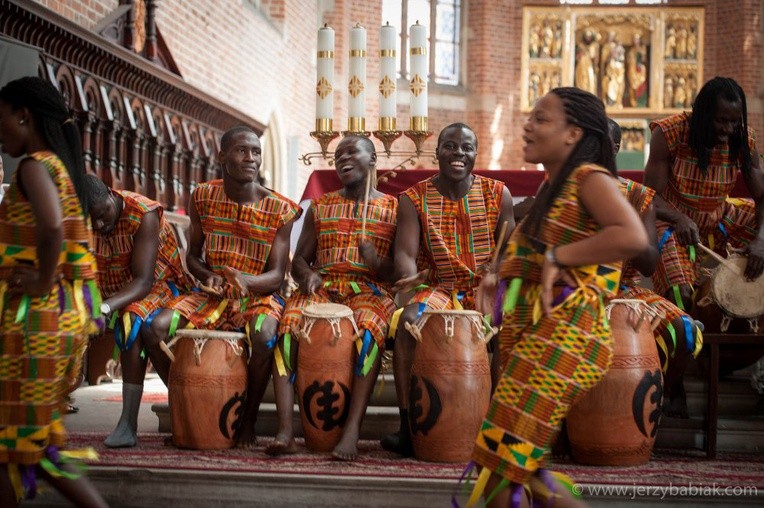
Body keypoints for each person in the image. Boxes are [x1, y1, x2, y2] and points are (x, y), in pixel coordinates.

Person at [467, 88, 648, 507]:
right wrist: (502, 279)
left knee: (499, 465)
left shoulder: (591, 178)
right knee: (514, 467)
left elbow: (632, 236)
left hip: (568, 336)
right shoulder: (554, 186)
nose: (528, 125)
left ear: (573, 133)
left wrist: (557, 255)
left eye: (541, 118)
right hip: (537, 335)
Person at [142, 126, 300, 447]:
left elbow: (276, 277)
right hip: (211, 297)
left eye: (256, 152)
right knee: (153, 330)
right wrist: (208, 276)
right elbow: (194, 258)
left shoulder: (280, 209)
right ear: (222, 156)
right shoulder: (202, 195)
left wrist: (244, 281)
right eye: (242, 151)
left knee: (265, 335)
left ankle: (249, 419)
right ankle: (188, 403)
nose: (251, 158)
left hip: (258, 297)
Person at [0, 77, 107, 507]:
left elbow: (50, 227)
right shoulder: (59, 166)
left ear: (24, 116)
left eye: (0, 119)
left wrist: (43, 278)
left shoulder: (33, 166)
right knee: (27, 443)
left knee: (19, 439)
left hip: (36, 320)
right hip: (57, 319)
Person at [380, 122, 515, 457]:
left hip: (485, 286)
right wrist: (410, 276)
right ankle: (408, 425)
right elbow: (406, 256)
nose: (459, 154)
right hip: (441, 287)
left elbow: (510, 252)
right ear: (437, 151)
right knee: (410, 322)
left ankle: (498, 429)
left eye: (466, 148)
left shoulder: (499, 193)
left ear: (475, 155)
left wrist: (496, 278)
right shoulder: (414, 198)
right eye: (451, 146)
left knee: (510, 326)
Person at [267, 135, 397, 461]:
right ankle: (285, 431)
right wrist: (307, 275)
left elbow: (398, 271)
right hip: (323, 288)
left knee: (368, 334)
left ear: (373, 160)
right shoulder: (321, 206)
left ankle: (352, 430)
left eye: (351, 152)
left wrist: (376, 262)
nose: (342, 159)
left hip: (371, 292)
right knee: (287, 328)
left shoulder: (394, 208)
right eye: (338, 155)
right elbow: (299, 260)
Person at [84, 175, 190, 448]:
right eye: (92, 220)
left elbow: (143, 281)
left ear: (111, 194)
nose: (99, 225)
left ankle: (128, 423)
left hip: (160, 287)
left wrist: (105, 307)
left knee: (131, 321)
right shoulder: (85, 221)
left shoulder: (143, 213)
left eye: (102, 215)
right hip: (116, 293)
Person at [643, 77, 764, 313]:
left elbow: (762, 196)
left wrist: (761, 241)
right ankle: (687, 344)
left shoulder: (742, 138)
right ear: (701, 113)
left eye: (734, 121)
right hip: (671, 220)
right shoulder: (669, 132)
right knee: (680, 294)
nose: (728, 130)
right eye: (720, 121)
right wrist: (679, 218)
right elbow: (648, 197)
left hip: (720, 217)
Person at [608, 119, 702, 418]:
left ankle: (655, 393)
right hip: (573, 290)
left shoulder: (637, 195)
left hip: (624, 292)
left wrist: (626, 227)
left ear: (616, 148)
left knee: (687, 330)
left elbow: (648, 265)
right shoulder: (562, 189)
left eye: (600, 143)